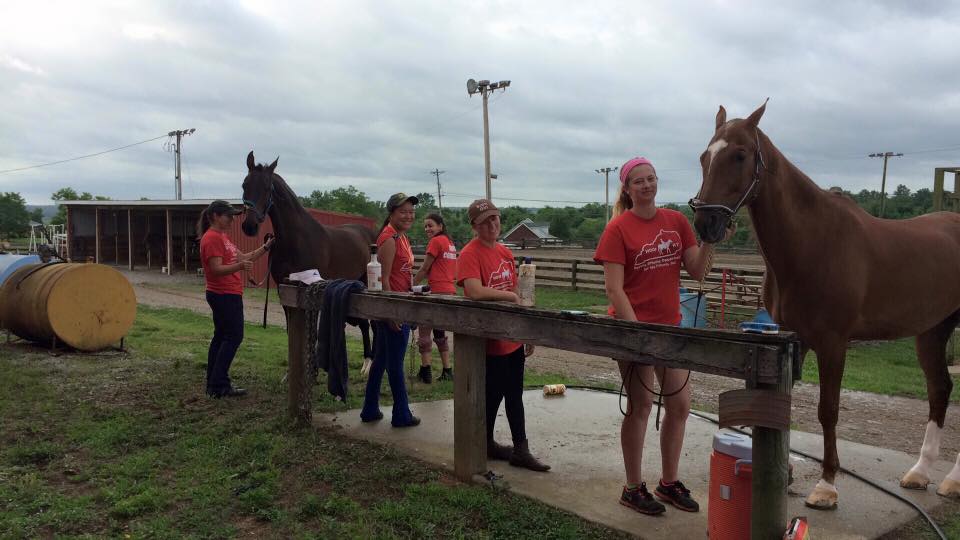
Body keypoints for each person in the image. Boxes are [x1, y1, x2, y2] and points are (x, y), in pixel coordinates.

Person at [594, 157, 725, 515]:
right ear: (627, 188)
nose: (647, 185)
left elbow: (697, 270)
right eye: (638, 181)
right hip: (634, 329)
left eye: (651, 178)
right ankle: (633, 487)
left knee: (680, 406)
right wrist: (638, 333)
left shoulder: (676, 221)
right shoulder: (618, 229)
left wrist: (710, 240)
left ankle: (669, 482)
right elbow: (614, 290)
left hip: (671, 329)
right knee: (641, 407)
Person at [457, 199, 549, 472]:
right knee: (493, 394)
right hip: (490, 339)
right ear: (474, 225)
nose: (493, 225)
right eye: (486, 221)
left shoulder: (505, 253)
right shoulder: (470, 254)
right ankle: (487, 443)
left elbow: (522, 294)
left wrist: (526, 332)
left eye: (495, 219)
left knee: (514, 394)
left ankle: (520, 448)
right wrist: (509, 296)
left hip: (512, 338)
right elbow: (473, 290)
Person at [197, 200, 273, 398]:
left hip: (226, 294)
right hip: (223, 294)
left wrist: (265, 248)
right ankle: (219, 384)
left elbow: (244, 257)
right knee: (233, 337)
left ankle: (213, 383)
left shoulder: (223, 238)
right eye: (228, 216)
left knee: (221, 337)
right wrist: (240, 268)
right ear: (215, 216)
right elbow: (215, 269)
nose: (232, 219)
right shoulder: (212, 238)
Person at [360, 193, 421, 428]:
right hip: (393, 308)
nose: (408, 216)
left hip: (402, 302)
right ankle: (401, 414)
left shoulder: (401, 236)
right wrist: (390, 312)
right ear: (391, 213)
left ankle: (370, 409)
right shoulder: (388, 239)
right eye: (403, 211)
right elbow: (383, 279)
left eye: (411, 212)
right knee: (395, 363)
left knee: (382, 359)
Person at [412, 213, 456, 383]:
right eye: (425, 226)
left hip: (435, 290)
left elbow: (424, 269)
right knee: (439, 331)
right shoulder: (450, 244)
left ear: (440, 226)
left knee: (424, 330)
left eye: (430, 225)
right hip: (449, 291)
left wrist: (410, 286)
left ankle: (426, 371)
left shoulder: (436, 242)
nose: (427, 229)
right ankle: (447, 370)